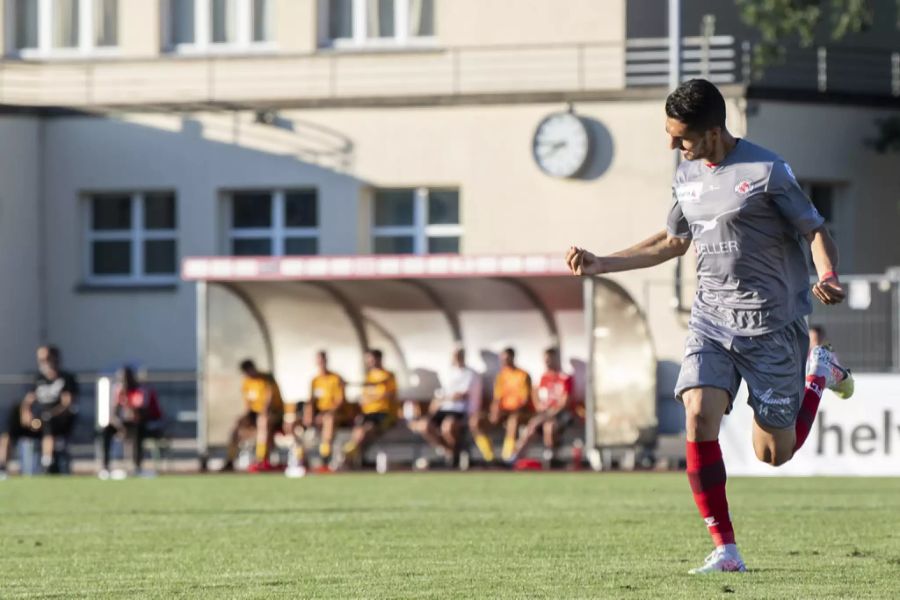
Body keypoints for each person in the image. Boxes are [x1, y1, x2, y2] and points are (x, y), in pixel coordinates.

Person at [565, 79, 854, 574]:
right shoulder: (686, 174)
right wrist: (602, 262)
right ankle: (726, 550)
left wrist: (826, 274)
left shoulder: (767, 171)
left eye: (681, 137)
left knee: (774, 455)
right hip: (712, 320)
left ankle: (818, 374)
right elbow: (674, 241)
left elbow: (814, 229)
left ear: (714, 131)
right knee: (698, 415)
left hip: (772, 327)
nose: (673, 146)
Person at [411, 347, 482, 466]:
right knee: (424, 426)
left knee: (448, 427)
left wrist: (446, 398)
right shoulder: (447, 373)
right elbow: (440, 395)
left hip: (459, 410)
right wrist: (441, 401)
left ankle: (452, 458)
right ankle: (449, 452)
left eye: (458, 355)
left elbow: (460, 396)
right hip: (443, 409)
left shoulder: (470, 374)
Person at [506, 347, 573, 467]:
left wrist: (550, 413)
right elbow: (535, 394)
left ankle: (551, 456)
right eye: (545, 360)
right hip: (545, 414)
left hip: (560, 414)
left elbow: (565, 402)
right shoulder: (543, 377)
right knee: (532, 427)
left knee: (549, 426)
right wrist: (539, 406)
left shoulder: (564, 378)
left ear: (556, 359)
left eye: (549, 359)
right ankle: (515, 456)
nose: (547, 362)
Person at [19, 345, 79, 474]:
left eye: (46, 358)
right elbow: (28, 401)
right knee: (13, 422)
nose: (44, 362)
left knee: (48, 420)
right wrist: (26, 414)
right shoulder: (39, 379)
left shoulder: (66, 378)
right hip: (38, 420)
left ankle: (48, 462)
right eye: (41, 359)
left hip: (59, 419)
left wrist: (48, 414)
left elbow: (67, 403)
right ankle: (2, 467)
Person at [100, 366, 165, 478]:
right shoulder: (119, 391)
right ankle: (105, 467)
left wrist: (128, 404)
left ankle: (136, 465)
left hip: (143, 424)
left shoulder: (139, 391)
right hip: (124, 425)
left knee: (137, 429)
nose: (124, 381)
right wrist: (120, 427)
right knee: (106, 430)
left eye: (127, 378)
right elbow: (114, 414)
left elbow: (139, 414)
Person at [221, 359, 285, 473]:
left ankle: (261, 458)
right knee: (237, 427)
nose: (248, 375)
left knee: (263, 422)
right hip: (255, 414)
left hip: (274, 413)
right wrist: (244, 418)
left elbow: (268, 401)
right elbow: (248, 404)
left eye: (249, 371)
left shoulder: (267, 379)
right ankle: (230, 460)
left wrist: (263, 414)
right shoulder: (247, 382)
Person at [340, 349, 397, 468]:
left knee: (367, 430)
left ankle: (351, 457)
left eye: (372, 359)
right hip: (368, 413)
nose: (369, 362)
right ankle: (351, 457)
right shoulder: (368, 377)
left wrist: (373, 397)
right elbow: (364, 397)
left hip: (383, 413)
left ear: (379, 359)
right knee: (358, 431)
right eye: (368, 360)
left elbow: (389, 394)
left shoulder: (388, 375)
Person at [302, 350, 347, 467]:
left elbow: (340, 401)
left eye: (322, 360)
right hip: (320, 413)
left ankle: (325, 454)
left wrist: (327, 413)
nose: (321, 363)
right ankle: (300, 456)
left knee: (328, 419)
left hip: (335, 413)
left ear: (326, 360)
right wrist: (309, 415)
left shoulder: (336, 378)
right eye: (319, 360)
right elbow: (311, 401)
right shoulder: (315, 381)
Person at [488, 347, 533, 462]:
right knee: (477, 421)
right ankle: (489, 456)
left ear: (513, 358)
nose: (504, 361)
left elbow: (525, 400)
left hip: (519, 412)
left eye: (507, 358)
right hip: (504, 412)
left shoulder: (523, 375)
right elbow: (497, 398)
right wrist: (495, 411)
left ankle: (507, 455)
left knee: (513, 420)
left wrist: (511, 411)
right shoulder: (501, 376)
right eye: (502, 359)